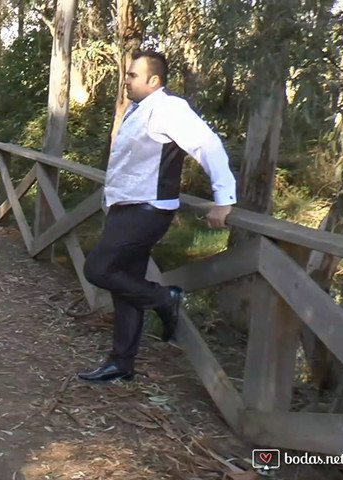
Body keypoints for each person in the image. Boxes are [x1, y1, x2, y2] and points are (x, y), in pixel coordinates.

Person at [77, 50, 236, 383]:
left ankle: (165, 297)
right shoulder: (140, 110)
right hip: (127, 209)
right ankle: (122, 363)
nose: (127, 80)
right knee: (124, 287)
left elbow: (207, 145)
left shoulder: (168, 109)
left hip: (146, 211)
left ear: (154, 80)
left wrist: (224, 199)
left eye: (133, 75)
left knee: (98, 269)